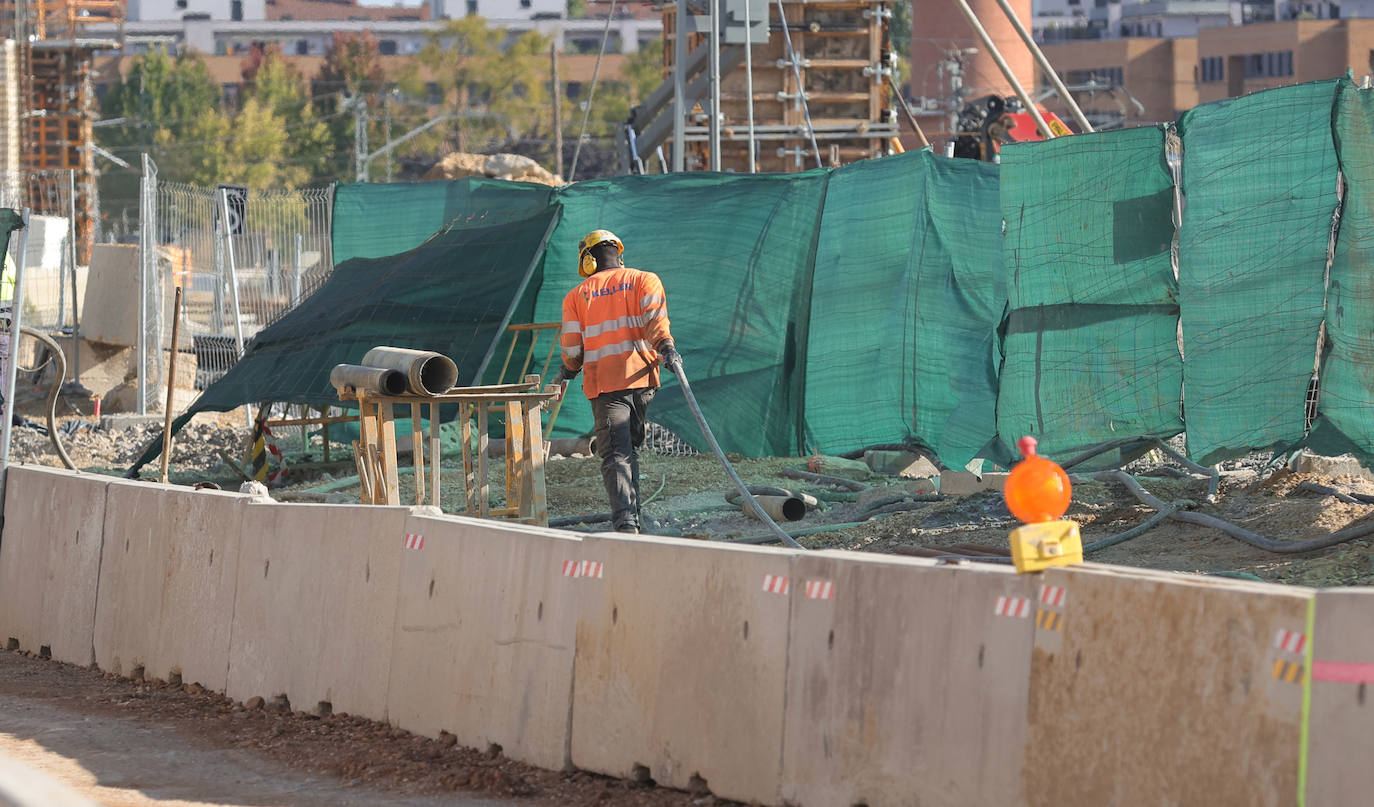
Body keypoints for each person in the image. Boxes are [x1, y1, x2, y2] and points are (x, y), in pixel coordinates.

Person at [556, 229, 681, 534]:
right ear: (618, 253)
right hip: (642, 382)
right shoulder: (644, 280)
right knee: (628, 448)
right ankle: (633, 514)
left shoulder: (576, 295)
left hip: (605, 385)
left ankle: (626, 522)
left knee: (616, 453)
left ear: (587, 259)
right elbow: (656, 323)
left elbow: (573, 349)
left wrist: (566, 372)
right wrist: (667, 349)